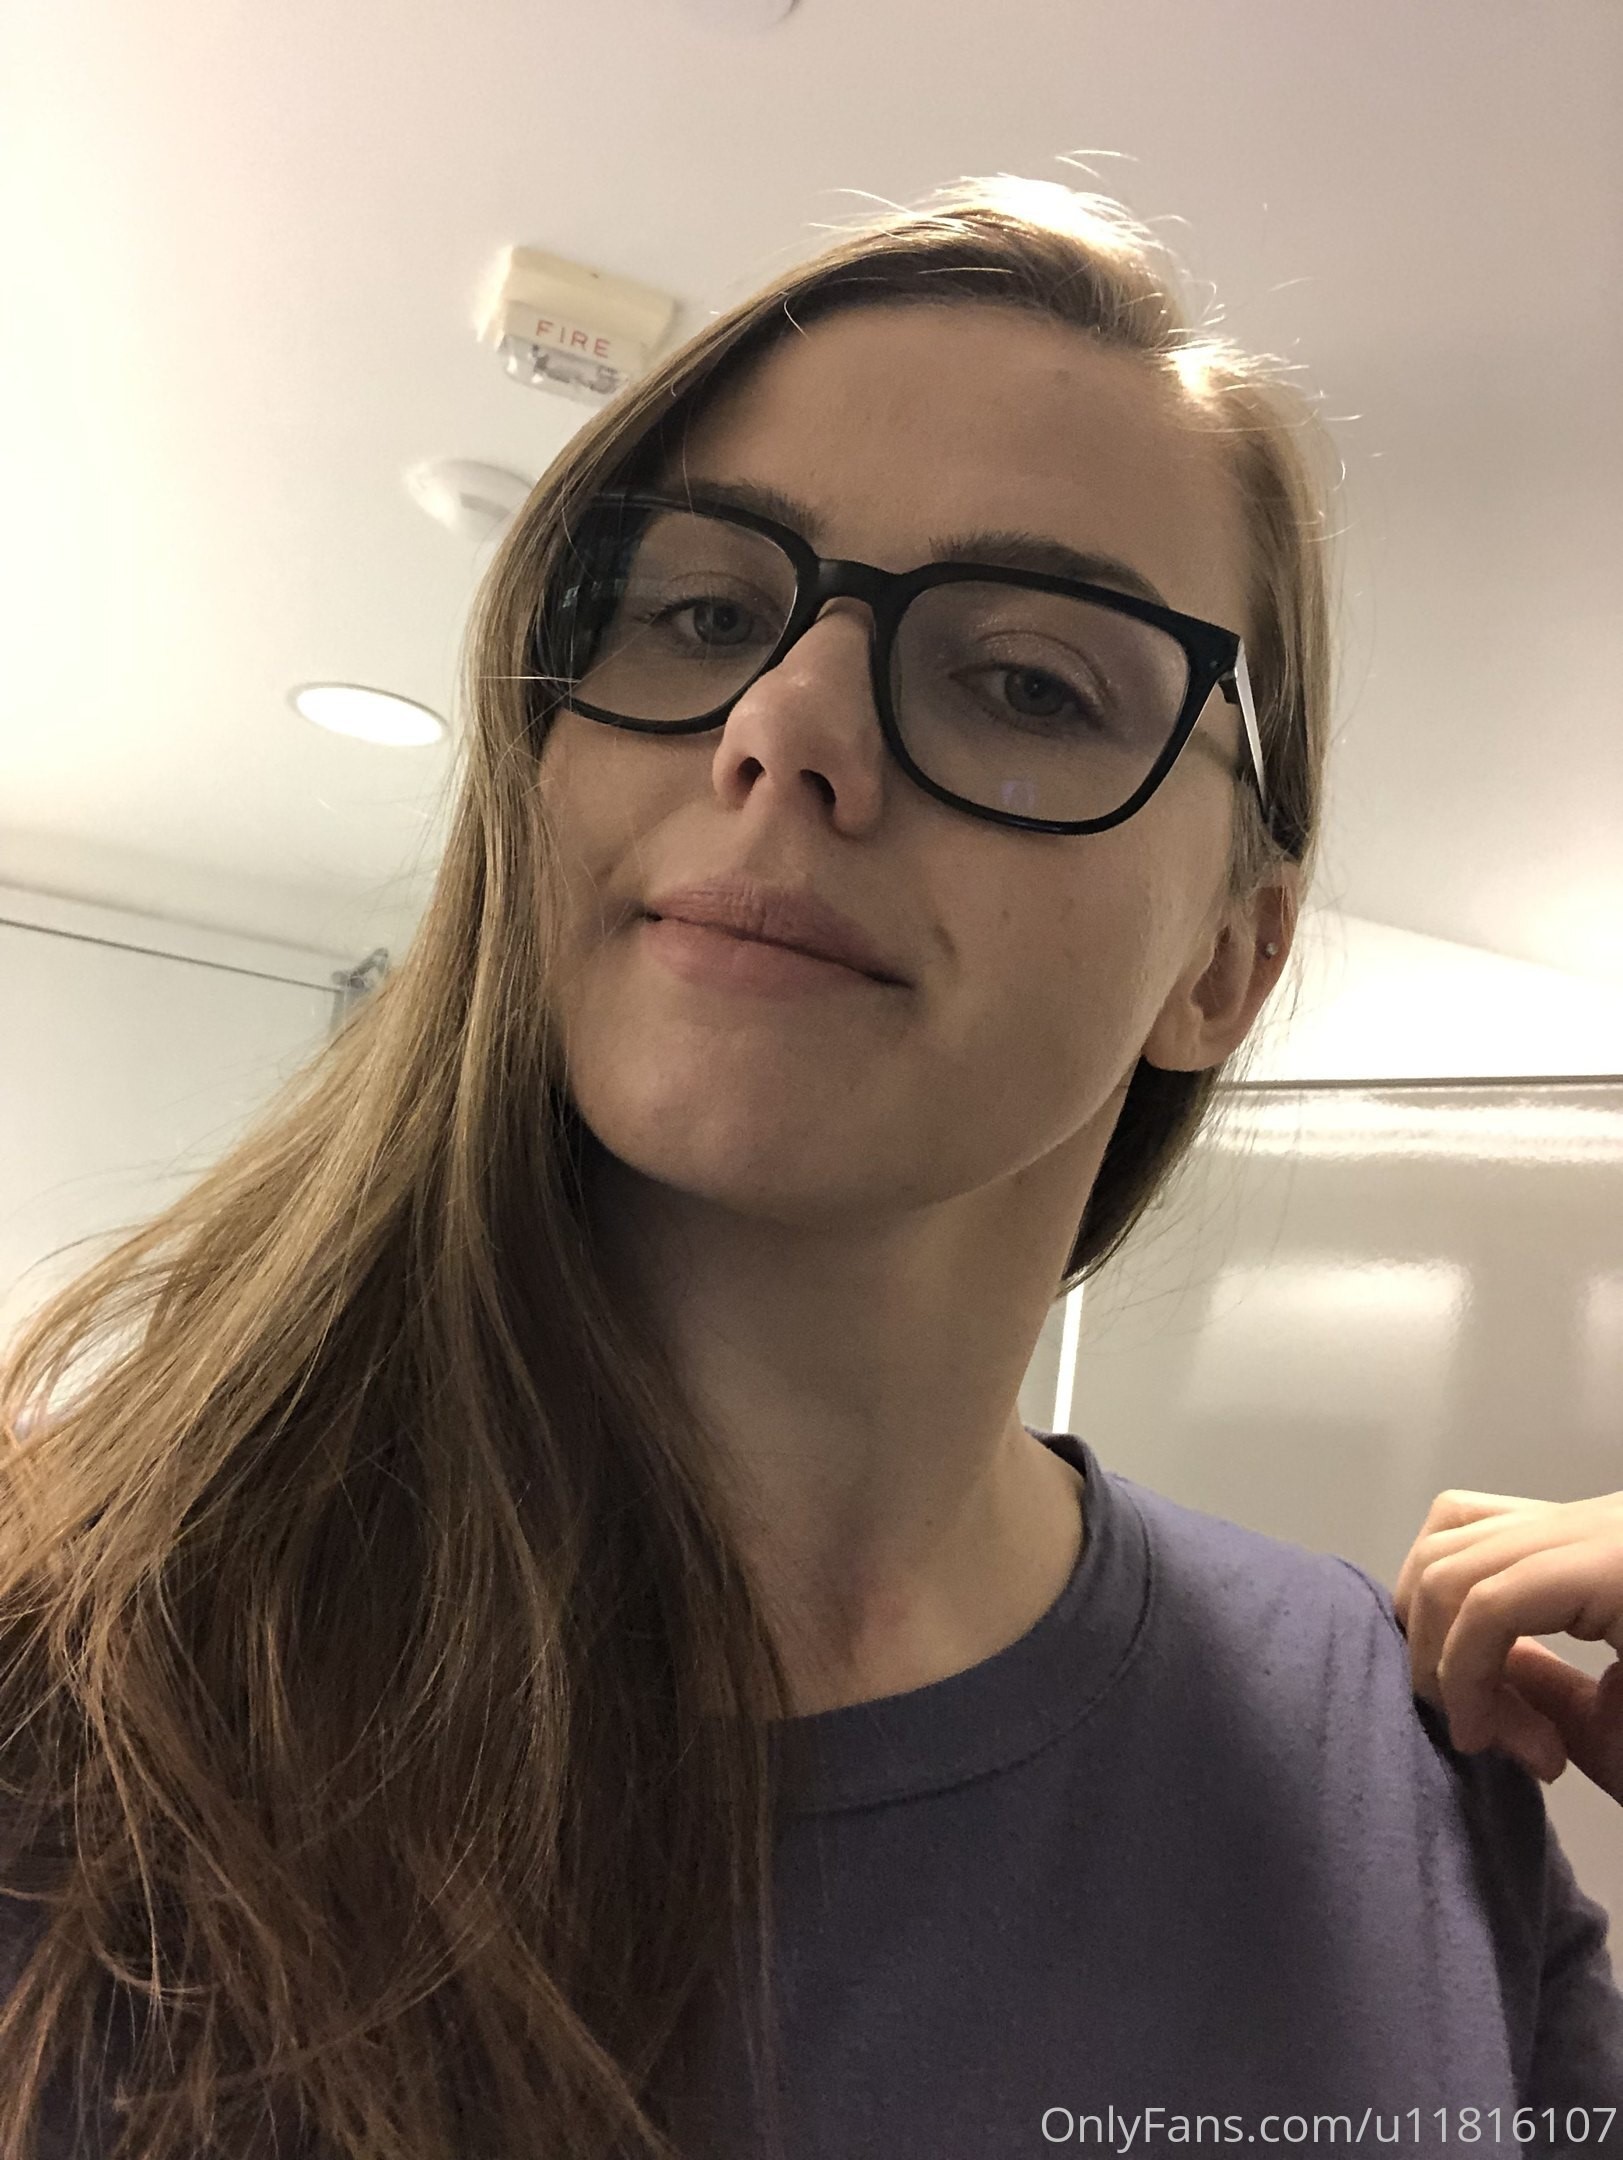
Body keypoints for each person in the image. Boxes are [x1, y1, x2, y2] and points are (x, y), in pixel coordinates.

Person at [0, 175, 1618, 2160]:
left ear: (1227, 961)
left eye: (1028, 683)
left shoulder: (1412, 1772)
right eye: (698, 614)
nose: (782, 726)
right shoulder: (62, 1678)